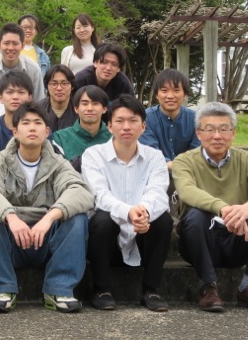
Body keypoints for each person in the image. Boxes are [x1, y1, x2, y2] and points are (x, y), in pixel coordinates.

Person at [0, 102, 94, 313]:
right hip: (10, 241)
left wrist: (49, 218)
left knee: (78, 218)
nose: (32, 128)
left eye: (38, 123)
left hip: (46, 241)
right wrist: (11, 216)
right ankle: (2, 289)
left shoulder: (58, 162)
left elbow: (80, 191)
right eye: (25, 123)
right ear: (15, 131)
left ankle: (59, 289)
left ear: (47, 132)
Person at [173, 102, 248, 313]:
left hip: (239, 240)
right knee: (195, 216)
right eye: (210, 129)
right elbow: (187, 191)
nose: (217, 136)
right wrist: (223, 209)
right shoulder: (184, 161)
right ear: (198, 133)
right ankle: (208, 287)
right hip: (200, 242)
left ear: (233, 133)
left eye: (224, 129)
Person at [82, 94, 172, 312]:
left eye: (133, 121)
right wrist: (129, 212)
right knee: (102, 219)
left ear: (143, 126)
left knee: (163, 220)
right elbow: (98, 194)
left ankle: (151, 290)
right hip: (108, 240)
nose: (126, 127)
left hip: (142, 233)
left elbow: (158, 191)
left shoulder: (155, 157)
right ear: (109, 126)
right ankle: (101, 289)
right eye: (120, 121)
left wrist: (144, 212)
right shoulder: (93, 155)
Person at [140, 68, 200, 171]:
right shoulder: (145, 118)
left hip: (190, 173)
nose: (170, 96)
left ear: (185, 94)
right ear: (156, 95)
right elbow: (149, 152)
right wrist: (175, 166)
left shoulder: (196, 119)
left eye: (176, 91)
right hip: (155, 173)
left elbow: (198, 152)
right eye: (164, 91)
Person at [52, 85, 111, 171]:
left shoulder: (114, 137)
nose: (90, 108)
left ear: (104, 109)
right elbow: (58, 171)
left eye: (95, 103)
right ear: (76, 109)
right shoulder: (60, 138)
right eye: (85, 104)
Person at [0, 22, 45, 102]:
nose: (11, 48)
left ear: (22, 46)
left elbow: (39, 102)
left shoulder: (34, 69)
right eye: (6, 43)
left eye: (15, 43)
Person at [38, 65, 77, 133]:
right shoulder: (38, 109)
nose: (59, 88)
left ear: (72, 87)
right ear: (47, 87)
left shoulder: (79, 109)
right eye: (54, 84)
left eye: (64, 83)